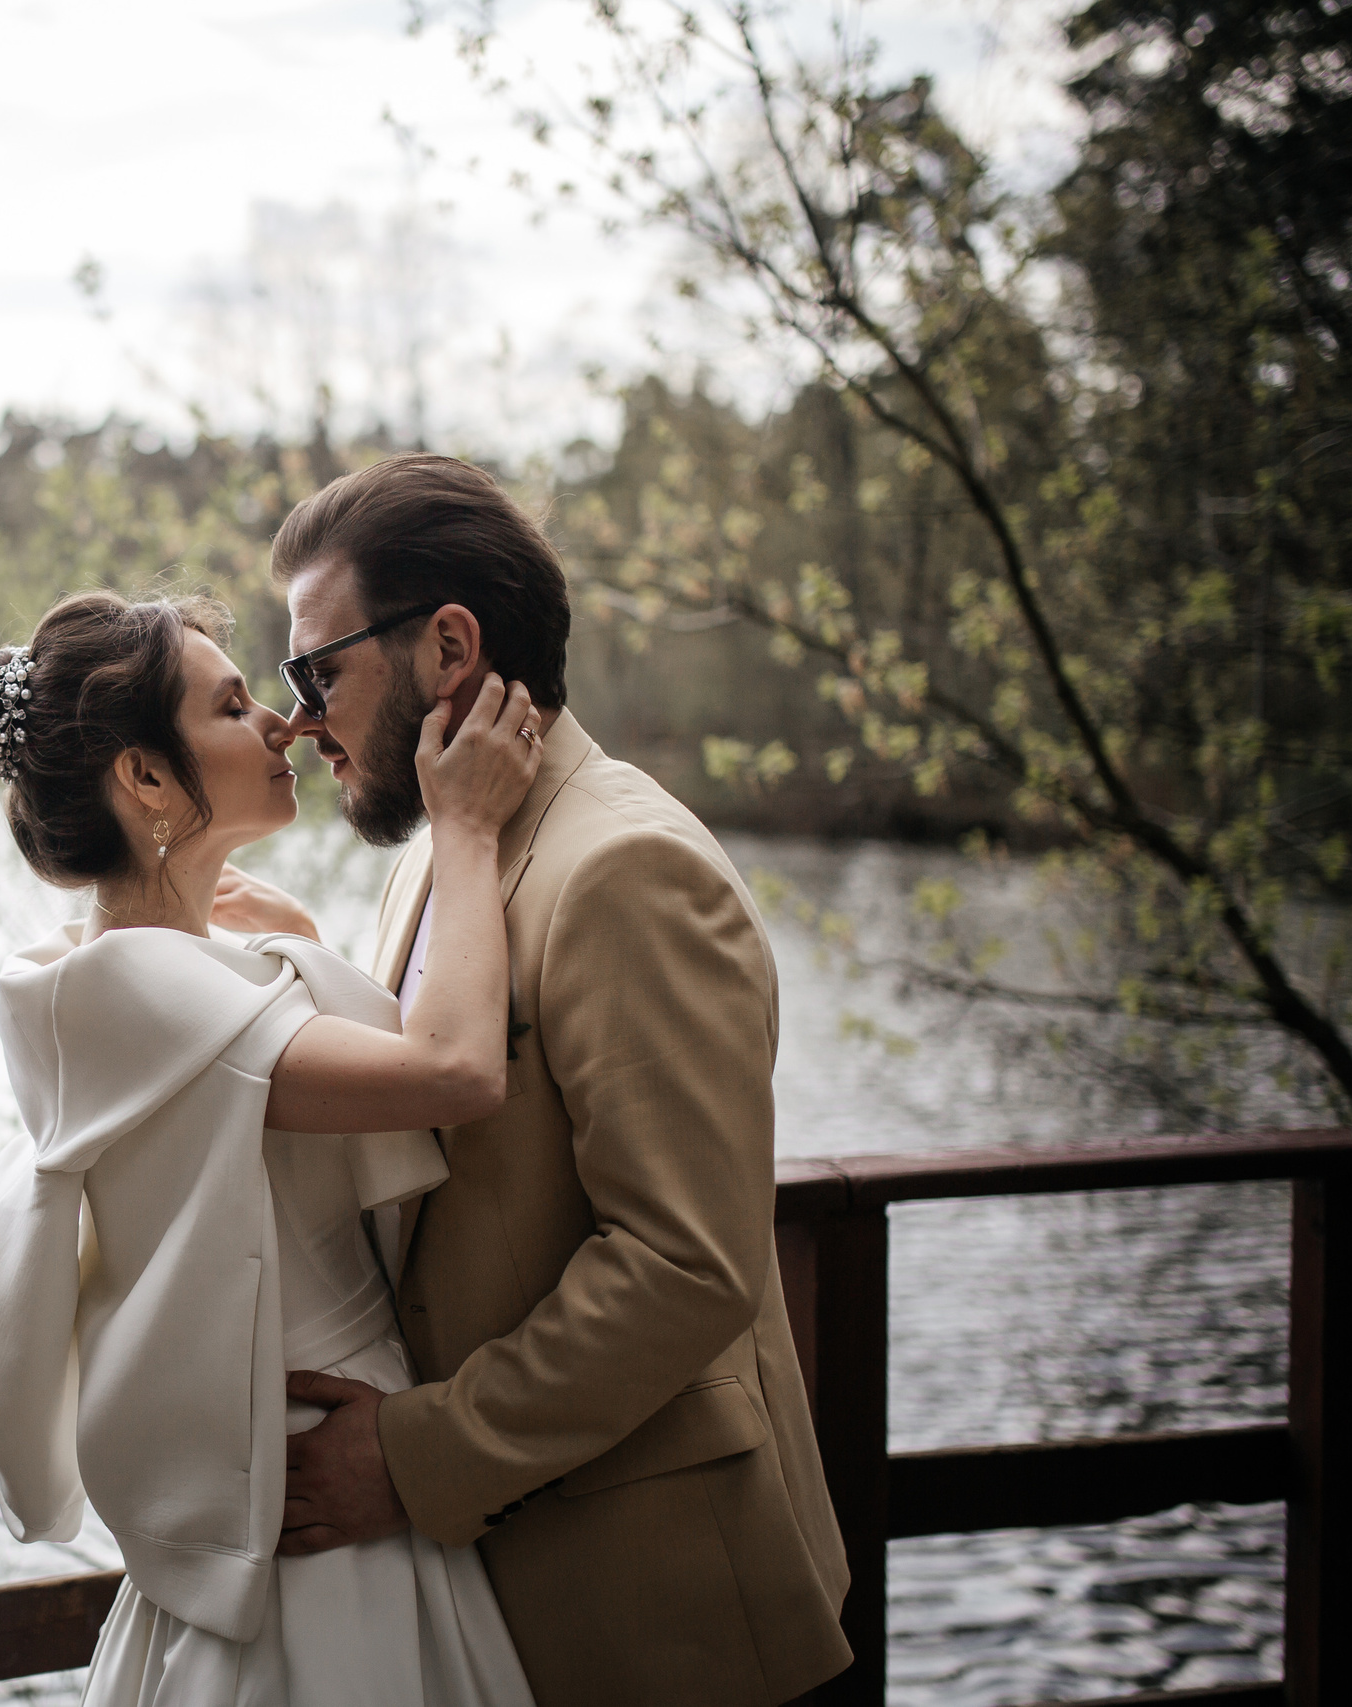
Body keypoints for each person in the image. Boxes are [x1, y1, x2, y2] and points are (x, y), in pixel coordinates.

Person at [212, 453, 854, 1706]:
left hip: (664, 1616)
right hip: (503, 1602)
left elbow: (686, 1266)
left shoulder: (626, 869)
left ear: (446, 648)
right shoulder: (445, 851)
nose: (295, 720)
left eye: (316, 671)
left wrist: (411, 1456)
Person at [0, 586, 546, 1707]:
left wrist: (292, 945)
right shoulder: (146, 985)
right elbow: (453, 1073)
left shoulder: (130, 968)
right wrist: (465, 829)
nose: (284, 724)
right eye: (230, 707)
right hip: (316, 1486)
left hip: (305, 1450)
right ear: (147, 778)